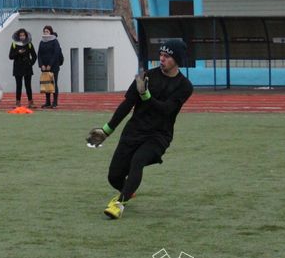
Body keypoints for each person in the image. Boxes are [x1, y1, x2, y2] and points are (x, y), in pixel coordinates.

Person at [86, 39, 193, 220]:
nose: (162, 59)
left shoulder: (184, 86)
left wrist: (146, 95)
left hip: (158, 136)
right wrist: (106, 131)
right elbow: (127, 105)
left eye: (167, 56)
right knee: (114, 177)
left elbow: (166, 110)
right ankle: (128, 190)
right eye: (160, 54)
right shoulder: (146, 77)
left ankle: (119, 204)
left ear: (177, 59)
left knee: (138, 161)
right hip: (133, 132)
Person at [9, 28, 37, 108]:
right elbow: (10, 56)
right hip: (17, 68)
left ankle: (30, 102)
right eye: (20, 35)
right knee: (19, 85)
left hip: (27, 68)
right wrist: (18, 52)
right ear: (18, 36)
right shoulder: (14, 44)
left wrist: (30, 63)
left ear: (26, 36)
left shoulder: (29, 44)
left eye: (23, 35)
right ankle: (18, 102)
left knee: (28, 85)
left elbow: (34, 56)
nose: (22, 37)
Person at [37, 25, 63, 109]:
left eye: (47, 31)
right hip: (44, 67)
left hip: (53, 67)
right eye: (44, 31)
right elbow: (39, 54)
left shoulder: (55, 41)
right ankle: (47, 102)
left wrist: (50, 65)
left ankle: (54, 102)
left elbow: (56, 54)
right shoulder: (42, 42)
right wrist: (41, 65)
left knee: (54, 83)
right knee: (46, 84)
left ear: (50, 32)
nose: (45, 33)